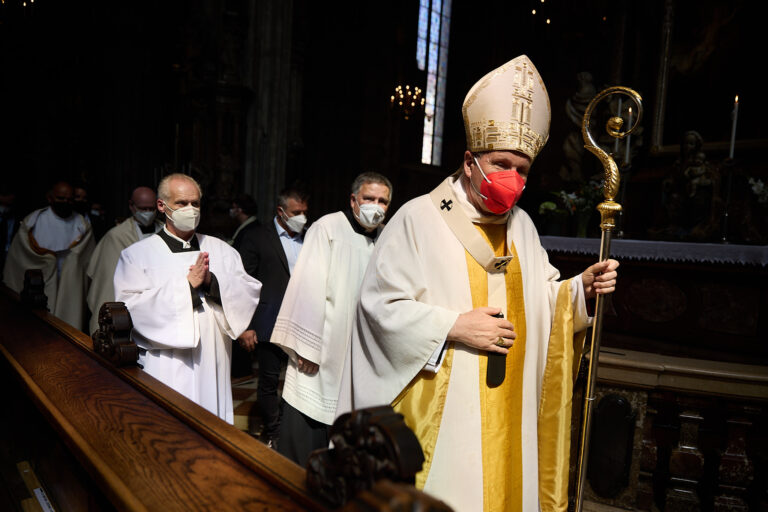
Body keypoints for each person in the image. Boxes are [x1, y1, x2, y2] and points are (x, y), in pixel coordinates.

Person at [338, 55, 619, 511]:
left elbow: (541, 301)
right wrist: (452, 325)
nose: (512, 178)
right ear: (470, 162)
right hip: (449, 414)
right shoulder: (418, 218)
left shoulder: (522, 226)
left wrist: (577, 291)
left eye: (522, 169)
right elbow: (377, 308)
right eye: (501, 162)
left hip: (513, 407)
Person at [114, 173, 261, 424]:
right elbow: (130, 308)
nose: (190, 209)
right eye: (182, 203)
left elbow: (247, 289)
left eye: (195, 203)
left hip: (212, 358)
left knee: (212, 426)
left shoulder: (222, 250)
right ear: (162, 206)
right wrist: (187, 288)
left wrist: (211, 282)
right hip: (167, 363)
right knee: (171, 426)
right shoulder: (137, 255)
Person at [271, 172, 392, 465]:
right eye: (368, 199)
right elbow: (307, 286)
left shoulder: (388, 236)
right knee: (307, 429)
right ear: (353, 200)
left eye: (382, 201)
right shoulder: (328, 227)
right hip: (322, 353)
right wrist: (307, 346)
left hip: (362, 354)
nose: (375, 206)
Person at [233, 187, 309, 447]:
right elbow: (244, 282)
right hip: (269, 319)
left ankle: (293, 429)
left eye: (304, 212)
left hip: (302, 319)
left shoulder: (309, 237)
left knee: (301, 377)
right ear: (281, 211)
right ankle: (274, 432)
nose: (302, 218)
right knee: (268, 380)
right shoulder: (256, 237)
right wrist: (248, 325)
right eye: (296, 213)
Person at [3, 181, 95, 330]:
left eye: (70, 199)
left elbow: (86, 260)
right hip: (40, 284)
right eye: (61, 198)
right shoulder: (34, 221)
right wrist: (48, 261)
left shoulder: (82, 224)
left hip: (70, 285)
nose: (66, 203)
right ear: (50, 198)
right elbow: (21, 256)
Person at [85, 186, 164, 335]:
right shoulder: (116, 236)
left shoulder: (166, 231)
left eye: (151, 208)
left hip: (157, 300)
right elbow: (106, 279)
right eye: (143, 208)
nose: (147, 213)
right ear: (131, 206)